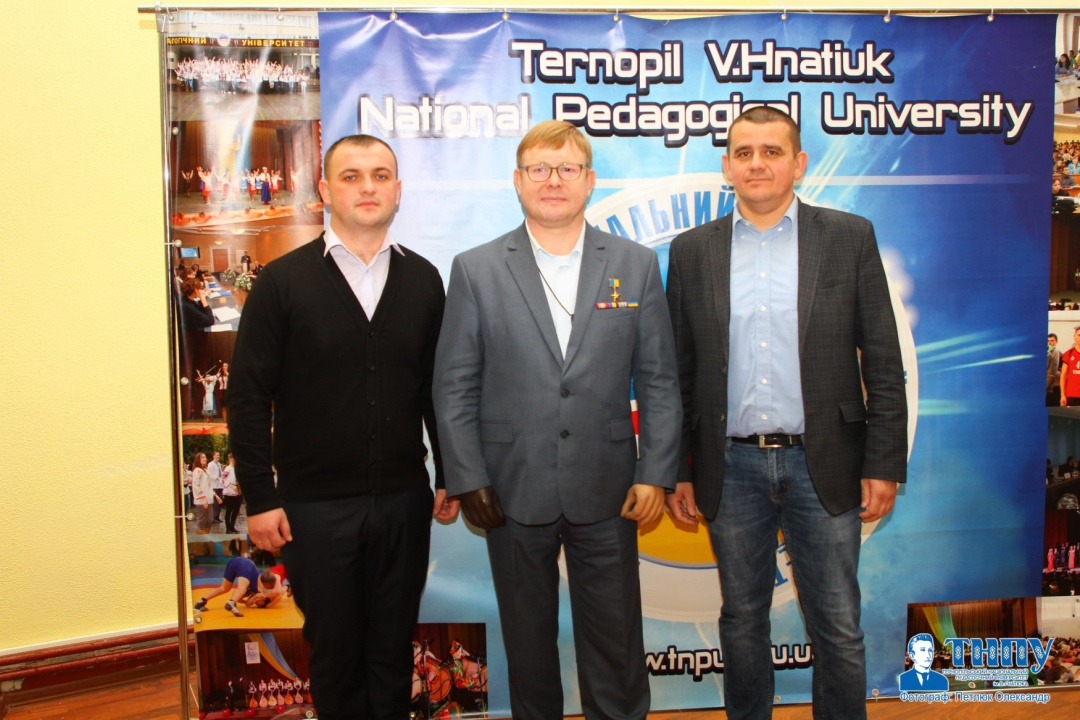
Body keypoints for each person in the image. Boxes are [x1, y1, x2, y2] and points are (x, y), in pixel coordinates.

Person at [665, 106, 908, 720]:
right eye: (744, 152)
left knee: (838, 624)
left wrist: (884, 462)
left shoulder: (849, 236)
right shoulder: (691, 251)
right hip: (730, 467)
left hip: (825, 462)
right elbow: (679, 373)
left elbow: (883, 358)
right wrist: (680, 469)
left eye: (772, 151)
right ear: (727, 166)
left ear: (798, 164)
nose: (757, 163)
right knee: (741, 619)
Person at [433, 120, 682, 720]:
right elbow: (455, 384)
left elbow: (658, 379)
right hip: (509, 487)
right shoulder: (476, 268)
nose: (553, 180)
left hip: (610, 486)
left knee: (617, 646)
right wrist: (468, 477)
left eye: (567, 168)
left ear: (589, 181)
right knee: (527, 644)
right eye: (539, 169)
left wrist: (656, 472)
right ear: (518, 181)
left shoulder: (635, 264)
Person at [228, 133, 458, 720]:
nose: (367, 187)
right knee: (335, 653)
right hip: (313, 508)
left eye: (380, 175)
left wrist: (450, 473)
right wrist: (260, 497)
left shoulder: (424, 279)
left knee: (392, 649)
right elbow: (248, 398)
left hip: (403, 502)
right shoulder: (282, 283)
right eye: (351, 176)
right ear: (326, 190)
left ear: (398, 190)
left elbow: (435, 388)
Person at [193, 556, 285, 617]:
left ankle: (201, 602)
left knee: (224, 588)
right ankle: (231, 603)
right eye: (259, 603)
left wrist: (246, 601)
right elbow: (278, 593)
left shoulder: (251, 592)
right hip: (246, 565)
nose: (256, 603)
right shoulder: (263, 590)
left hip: (234, 562)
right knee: (242, 588)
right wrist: (265, 599)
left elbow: (247, 603)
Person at [191, 452, 219, 534]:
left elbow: (209, 486)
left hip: (209, 500)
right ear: (198, 459)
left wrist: (216, 495)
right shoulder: (197, 470)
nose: (205, 459)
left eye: (205, 457)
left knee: (209, 520)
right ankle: (199, 539)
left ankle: (206, 536)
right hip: (201, 501)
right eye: (202, 457)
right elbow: (196, 485)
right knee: (202, 521)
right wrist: (203, 498)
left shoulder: (206, 471)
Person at [221, 452, 243, 533]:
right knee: (229, 511)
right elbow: (222, 479)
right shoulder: (228, 469)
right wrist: (230, 485)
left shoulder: (236, 468)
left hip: (237, 492)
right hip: (230, 493)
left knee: (236, 511)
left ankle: (232, 526)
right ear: (230, 458)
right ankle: (228, 528)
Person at [1060, 326, 1080, 406]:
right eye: (1079, 335)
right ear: (1074, 336)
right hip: (1071, 395)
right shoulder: (1069, 353)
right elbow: (1063, 375)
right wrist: (1062, 395)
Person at [1049, 333, 1063, 406]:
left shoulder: (1061, 356)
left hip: (1056, 387)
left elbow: (1063, 374)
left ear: (1056, 342)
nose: (1049, 343)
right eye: (1048, 341)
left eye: (1052, 340)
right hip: (1046, 387)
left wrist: (1053, 372)